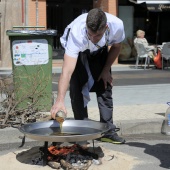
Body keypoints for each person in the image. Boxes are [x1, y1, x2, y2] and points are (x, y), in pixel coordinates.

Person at [50, 8, 126, 144]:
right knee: (76, 88)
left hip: (100, 50)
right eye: (90, 34)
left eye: (97, 35)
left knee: (105, 84)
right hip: (79, 51)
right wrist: (60, 100)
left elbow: (116, 46)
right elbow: (66, 71)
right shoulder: (76, 33)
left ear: (106, 27)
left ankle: (107, 130)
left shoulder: (117, 25)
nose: (92, 38)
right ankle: (82, 131)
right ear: (86, 26)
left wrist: (106, 69)